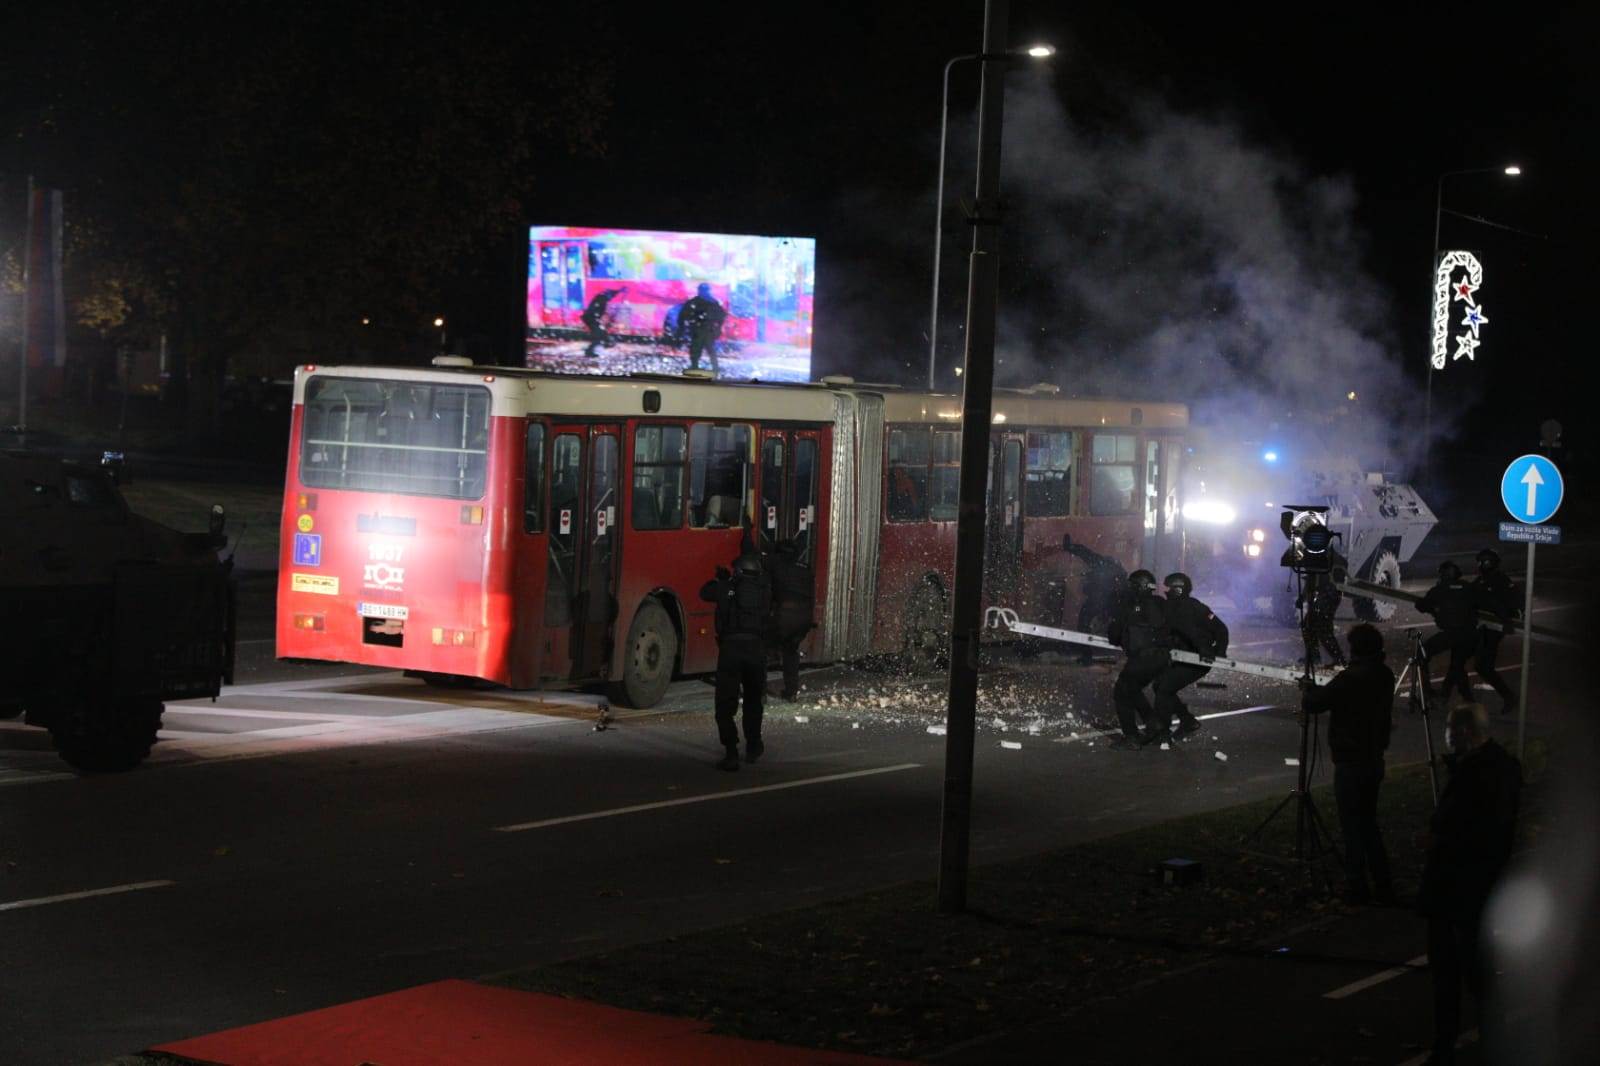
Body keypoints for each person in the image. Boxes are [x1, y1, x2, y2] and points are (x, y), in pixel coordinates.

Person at [1417, 702, 1522, 1065]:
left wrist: (1439, 840)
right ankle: (1491, 1037)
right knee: (1478, 972)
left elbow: (1471, 825)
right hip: (1481, 885)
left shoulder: (1476, 774)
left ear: (1462, 731)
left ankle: (1448, 1044)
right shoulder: (1503, 767)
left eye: (1450, 728)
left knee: (1451, 972)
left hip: (1456, 886)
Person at [1301, 623, 1395, 904]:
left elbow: (1316, 703)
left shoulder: (1351, 678)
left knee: (1352, 827)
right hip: (1373, 758)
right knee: (1368, 824)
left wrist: (1308, 690)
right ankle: (1383, 882)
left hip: (1351, 761)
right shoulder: (1384, 674)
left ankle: (1357, 886)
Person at [698, 548, 772, 770]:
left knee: (725, 704)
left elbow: (704, 592)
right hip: (756, 650)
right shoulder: (765, 590)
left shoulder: (726, 587)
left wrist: (723, 580)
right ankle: (753, 745)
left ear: (738, 571)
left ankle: (731, 752)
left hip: (731, 650)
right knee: (753, 700)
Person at [1151, 572, 1226, 743]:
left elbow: (1219, 629)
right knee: (1160, 686)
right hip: (1183, 658)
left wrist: (1218, 652)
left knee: (1164, 689)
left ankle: (1162, 733)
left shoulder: (1189, 607)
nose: (1165, 591)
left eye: (1168, 588)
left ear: (1177, 590)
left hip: (1197, 661)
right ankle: (1187, 720)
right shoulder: (1174, 606)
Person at [1105, 570, 1170, 749]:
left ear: (1137, 587)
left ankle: (1132, 737)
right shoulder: (1161, 604)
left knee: (1121, 692)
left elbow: (1114, 634)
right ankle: (1153, 722)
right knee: (1132, 688)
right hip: (1162, 658)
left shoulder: (1130, 606)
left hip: (1142, 659)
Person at [1417, 560, 1477, 705]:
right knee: (1457, 665)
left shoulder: (1440, 589)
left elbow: (1421, 605)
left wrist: (1435, 608)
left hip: (1452, 633)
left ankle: (1428, 691)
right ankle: (1465, 697)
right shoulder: (1467, 587)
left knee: (1421, 653)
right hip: (1470, 634)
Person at [1062, 533, 1128, 665]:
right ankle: (1128, 654)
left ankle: (1087, 656)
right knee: (1121, 626)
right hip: (1111, 603)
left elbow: (1084, 552)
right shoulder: (1119, 573)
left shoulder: (1100, 562)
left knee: (1083, 625)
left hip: (1098, 601)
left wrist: (1069, 547)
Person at [1469, 548, 1519, 714]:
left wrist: (1506, 621)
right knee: (1476, 663)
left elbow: (1505, 605)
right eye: (1479, 561)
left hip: (1494, 628)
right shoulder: (1481, 580)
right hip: (1482, 627)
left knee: (1483, 666)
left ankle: (1509, 697)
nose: (1480, 565)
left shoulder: (1500, 580)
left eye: (1483, 561)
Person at [768, 538, 815, 701]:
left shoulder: (776, 567)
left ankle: (759, 694)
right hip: (803, 619)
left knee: (763, 651)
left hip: (783, 617)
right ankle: (791, 692)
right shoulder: (806, 568)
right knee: (791, 653)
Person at [1299, 552, 1347, 668]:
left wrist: (1303, 597)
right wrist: (1303, 597)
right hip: (1325, 593)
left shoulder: (1330, 557)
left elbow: (1312, 579)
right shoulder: (1318, 554)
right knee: (1308, 624)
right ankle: (1315, 656)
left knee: (1322, 627)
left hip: (1329, 594)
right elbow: (1311, 578)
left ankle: (1339, 659)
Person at [677, 282, 727, 374]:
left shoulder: (712, 302)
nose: (704, 292)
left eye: (705, 290)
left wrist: (718, 328)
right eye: (703, 290)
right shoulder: (698, 302)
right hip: (699, 330)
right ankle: (698, 366)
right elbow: (683, 316)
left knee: (706, 350)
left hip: (705, 330)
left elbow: (721, 316)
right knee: (698, 350)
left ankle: (712, 367)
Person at [581, 286, 626, 357]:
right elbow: (596, 311)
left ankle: (599, 345)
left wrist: (620, 291)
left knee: (601, 334)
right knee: (599, 334)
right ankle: (589, 351)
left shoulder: (602, 298)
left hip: (591, 318)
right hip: (591, 318)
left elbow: (611, 294)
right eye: (610, 297)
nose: (610, 299)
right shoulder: (602, 299)